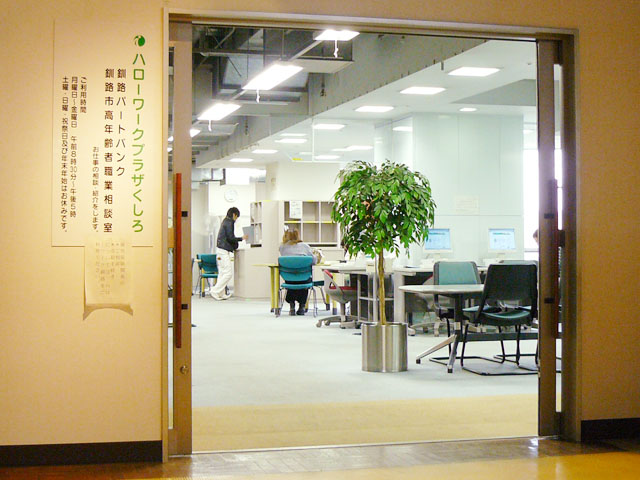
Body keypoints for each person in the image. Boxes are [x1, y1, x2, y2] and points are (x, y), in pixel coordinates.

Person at [210, 207, 247, 300]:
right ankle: (215, 291)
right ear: (234, 214)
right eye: (237, 217)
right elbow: (230, 237)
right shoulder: (230, 222)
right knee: (228, 273)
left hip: (220, 250)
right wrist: (241, 238)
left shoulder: (225, 221)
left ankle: (221, 293)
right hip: (223, 251)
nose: (236, 219)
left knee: (222, 273)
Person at [279, 229, 316, 315]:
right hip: (304, 278)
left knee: (293, 281)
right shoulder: (305, 246)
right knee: (304, 281)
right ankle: (302, 306)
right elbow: (314, 261)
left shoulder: (282, 247)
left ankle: (292, 306)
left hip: (289, 279)